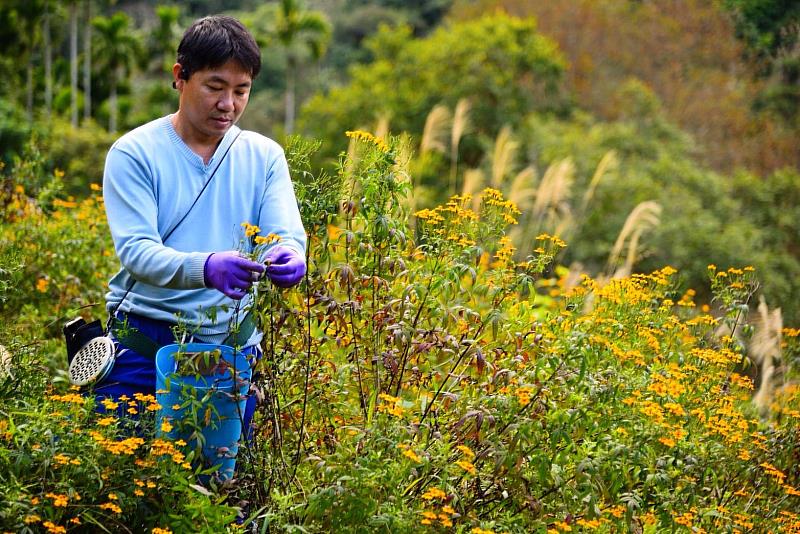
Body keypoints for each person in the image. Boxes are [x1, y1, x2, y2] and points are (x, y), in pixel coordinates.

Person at [97, 15, 306, 439]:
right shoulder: (134, 153)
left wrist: (289, 257)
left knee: (218, 493)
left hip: (230, 349)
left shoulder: (263, 157)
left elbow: (284, 234)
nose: (228, 103)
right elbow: (137, 252)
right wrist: (206, 267)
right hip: (143, 344)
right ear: (181, 77)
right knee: (127, 491)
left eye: (240, 90)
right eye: (215, 86)